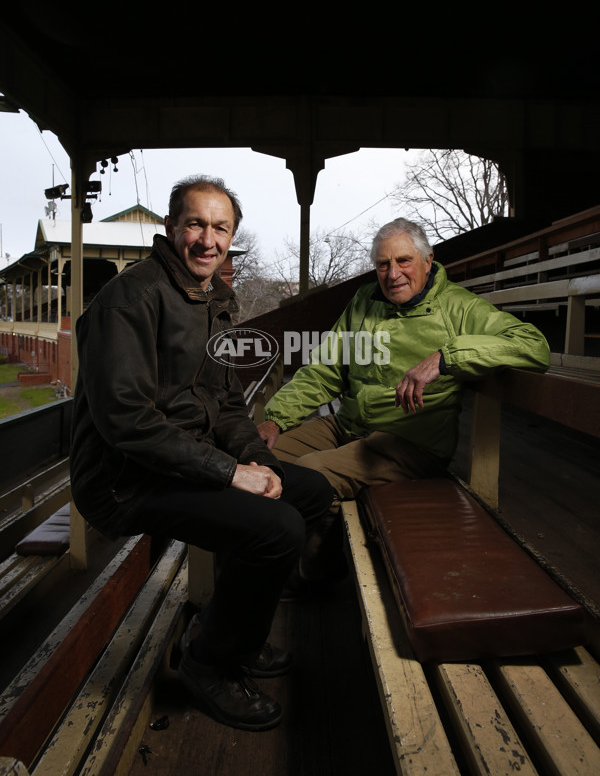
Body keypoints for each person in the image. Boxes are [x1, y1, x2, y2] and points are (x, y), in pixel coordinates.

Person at [69, 175, 333, 732]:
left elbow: (229, 403)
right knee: (277, 529)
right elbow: (128, 423)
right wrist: (230, 471)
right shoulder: (130, 300)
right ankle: (207, 664)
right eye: (196, 223)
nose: (207, 239)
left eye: (221, 227)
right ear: (171, 227)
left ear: (231, 236)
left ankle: (230, 634)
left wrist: (254, 463)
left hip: (184, 456)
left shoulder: (213, 298)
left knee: (308, 492)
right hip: (124, 479)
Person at [258, 217, 551, 590]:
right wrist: (275, 419)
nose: (392, 273)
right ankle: (262, 557)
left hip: (408, 441)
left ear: (428, 261)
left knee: (310, 476)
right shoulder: (364, 302)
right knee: (259, 455)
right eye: (382, 264)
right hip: (349, 425)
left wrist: (446, 357)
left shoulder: (457, 307)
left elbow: (533, 344)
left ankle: (319, 576)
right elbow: (325, 369)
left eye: (404, 261)